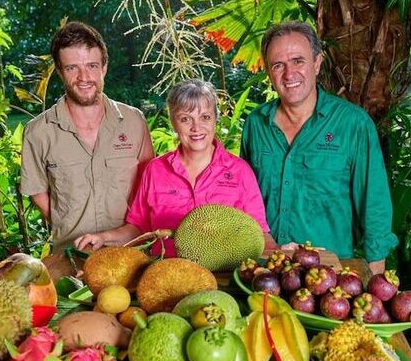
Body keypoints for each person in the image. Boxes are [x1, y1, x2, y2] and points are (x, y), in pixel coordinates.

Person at [240, 21, 397, 274]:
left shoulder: (353, 124)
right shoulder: (256, 125)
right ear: (269, 72)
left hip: (329, 278)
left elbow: (374, 205)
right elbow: (244, 200)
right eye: (278, 65)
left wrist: (375, 281)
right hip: (265, 272)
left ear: (317, 63)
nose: (289, 74)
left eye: (298, 61)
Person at [74, 79, 273, 254]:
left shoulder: (240, 172)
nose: (196, 128)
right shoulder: (155, 170)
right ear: (173, 123)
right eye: (186, 119)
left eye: (205, 117)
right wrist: (103, 238)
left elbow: (258, 234)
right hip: (165, 275)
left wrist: (283, 253)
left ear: (215, 120)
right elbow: (138, 228)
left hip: (223, 280)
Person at [20, 22, 154, 251]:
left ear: (104, 67)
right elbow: (38, 193)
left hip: (131, 252)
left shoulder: (134, 122)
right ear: (60, 71)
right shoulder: (38, 132)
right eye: (72, 68)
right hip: (71, 256)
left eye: (92, 65)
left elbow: (150, 184)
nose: (84, 77)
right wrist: (70, 224)